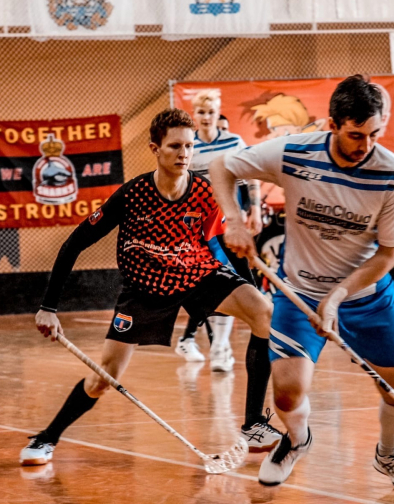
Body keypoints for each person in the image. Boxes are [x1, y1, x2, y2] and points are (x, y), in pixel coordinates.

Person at [19, 109, 281, 467]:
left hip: (196, 273)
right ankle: (47, 438)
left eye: (189, 146)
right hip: (145, 287)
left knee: (264, 313)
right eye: (175, 146)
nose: (184, 154)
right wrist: (49, 307)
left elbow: (227, 247)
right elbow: (74, 244)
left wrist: (249, 288)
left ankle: (252, 425)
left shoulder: (205, 192)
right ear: (155, 149)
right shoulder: (133, 195)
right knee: (104, 378)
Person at [210, 75, 394, 488]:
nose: (365, 146)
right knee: (287, 393)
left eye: (375, 134)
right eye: (355, 135)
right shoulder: (294, 153)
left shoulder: (393, 174)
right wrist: (233, 221)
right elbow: (223, 166)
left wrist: (338, 296)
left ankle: (388, 453)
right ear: (332, 125)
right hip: (299, 292)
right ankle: (296, 440)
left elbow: (389, 253)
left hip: (366, 296)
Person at [174, 89, 263, 372]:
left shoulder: (234, 142)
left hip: (229, 225)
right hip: (199, 229)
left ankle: (220, 346)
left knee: (236, 281)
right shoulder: (188, 146)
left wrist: (255, 210)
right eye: (201, 112)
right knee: (213, 283)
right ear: (194, 115)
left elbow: (252, 176)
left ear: (218, 113)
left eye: (211, 112)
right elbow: (178, 184)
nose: (206, 117)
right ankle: (217, 347)